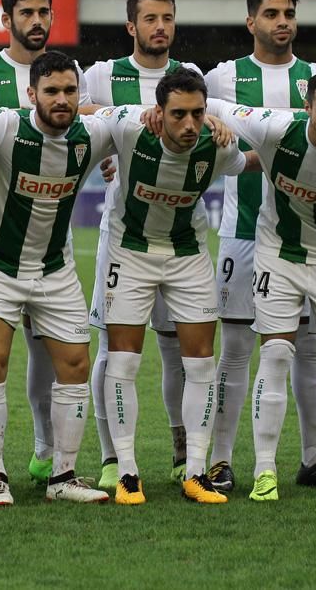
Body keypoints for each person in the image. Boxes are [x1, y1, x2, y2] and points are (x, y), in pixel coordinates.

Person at [202, 0, 316, 494]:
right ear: (251, 22)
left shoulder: (314, 79)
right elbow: (194, 111)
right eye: (272, 13)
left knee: (308, 351)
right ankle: (220, 460)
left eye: (289, 13)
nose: (282, 22)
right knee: (237, 350)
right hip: (246, 232)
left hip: (313, 238)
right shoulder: (225, 76)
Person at [0, 0, 93, 496]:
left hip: (51, 245)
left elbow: (94, 120)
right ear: (6, 17)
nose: (37, 21)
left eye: (44, 12)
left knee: (51, 355)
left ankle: (46, 456)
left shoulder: (68, 79)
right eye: (26, 12)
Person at [0, 51, 111, 506]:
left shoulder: (93, 133)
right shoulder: (3, 126)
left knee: (75, 368)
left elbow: (145, 118)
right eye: (52, 91)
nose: (62, 99)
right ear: (31, 95)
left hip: (56, 269)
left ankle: (62, 476)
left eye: (70, 90)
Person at [97, 70, 248, 505]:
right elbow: (79, 114)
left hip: (188, 255)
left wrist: (226, 128)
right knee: (123, 362)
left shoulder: (217, 145)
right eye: (177, 114)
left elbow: (244, 161)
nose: (188, 124)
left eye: (198, 114)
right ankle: (127, 473)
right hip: (130, 251)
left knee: (201, 365)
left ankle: (196, 473)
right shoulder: (128, 126)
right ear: (158, 112)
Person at [84, 0, 203, 490]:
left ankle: (183, 450)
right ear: (132, 26)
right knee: (114, 350)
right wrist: (117, 148)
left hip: (180, 235)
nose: (161, 27)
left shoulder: (191, 79)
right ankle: (113, 457)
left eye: (168, 18)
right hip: (123, 234)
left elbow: (213, 126)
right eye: (151, 18)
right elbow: (78, 120)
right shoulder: (104, 75)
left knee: (178, 348)